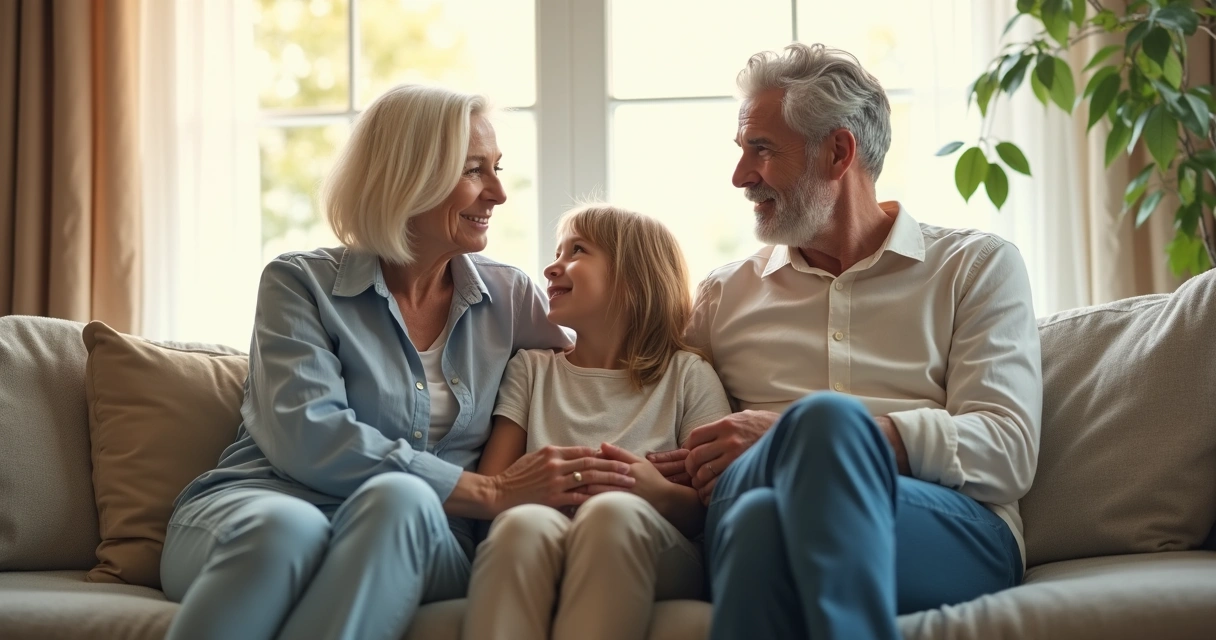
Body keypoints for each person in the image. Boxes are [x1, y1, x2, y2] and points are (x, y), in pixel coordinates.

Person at [159, 85, 637, 640]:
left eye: (497, 168)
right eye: (475, 171)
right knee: (285, 530)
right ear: (410, 177)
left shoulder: (511, 299)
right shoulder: (300, 283)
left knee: (402, 497)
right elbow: (308, 433)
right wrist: (490, 492)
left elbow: (607, 358)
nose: (500, 193)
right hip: (262, 503)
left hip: (425, 533)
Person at [645, 43, 1042, 639]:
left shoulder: (975, 267)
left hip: (939, 523)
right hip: (754, 505)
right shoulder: (723, 296)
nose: (740, 176)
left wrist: (804, 437)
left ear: (837, 151)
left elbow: (1007, 449)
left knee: (811, 443)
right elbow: (665, 416)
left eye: (761, 149)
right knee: (756, 512)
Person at [462, 204, 731, 640]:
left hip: (655, 548)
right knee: (520, 525)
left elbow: (714, 505)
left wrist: (655, 492)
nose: (551, 267)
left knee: (613, 512)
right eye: (556, 251)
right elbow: (494, 485)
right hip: (548, 533)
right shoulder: (532, 370)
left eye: (577, 251)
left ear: (633, 279)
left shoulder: (687, 375)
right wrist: (539, 490)